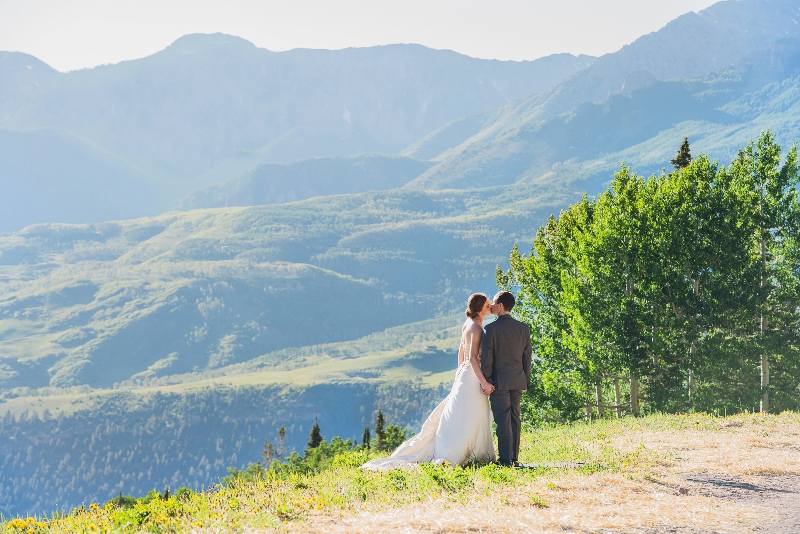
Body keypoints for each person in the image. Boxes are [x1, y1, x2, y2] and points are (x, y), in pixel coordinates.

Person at [361, 293, 497, 470]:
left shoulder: (467, 325)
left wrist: (459, 374)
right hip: (472, 376)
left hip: (465, 375)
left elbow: (460, 353)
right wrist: (484, 383)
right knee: (470, 413)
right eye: (487, 305)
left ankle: (470, 451)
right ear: (479, 309)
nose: (490, 306)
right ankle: (467, 452)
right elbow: (472, 358)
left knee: (463, 413)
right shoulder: (477, 328)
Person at [481, 291, 531, 467]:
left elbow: (487, 359)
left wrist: (486, 381)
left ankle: (505, 460)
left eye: (494, 303)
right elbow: (527, 358)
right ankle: (514, 458)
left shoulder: (490, 329)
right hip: (518, 380)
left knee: (502, 419)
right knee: (515, 418)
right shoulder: (523, 328)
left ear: (501, 306)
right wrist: (526, 381)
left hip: (499, 382)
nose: (492, 306)